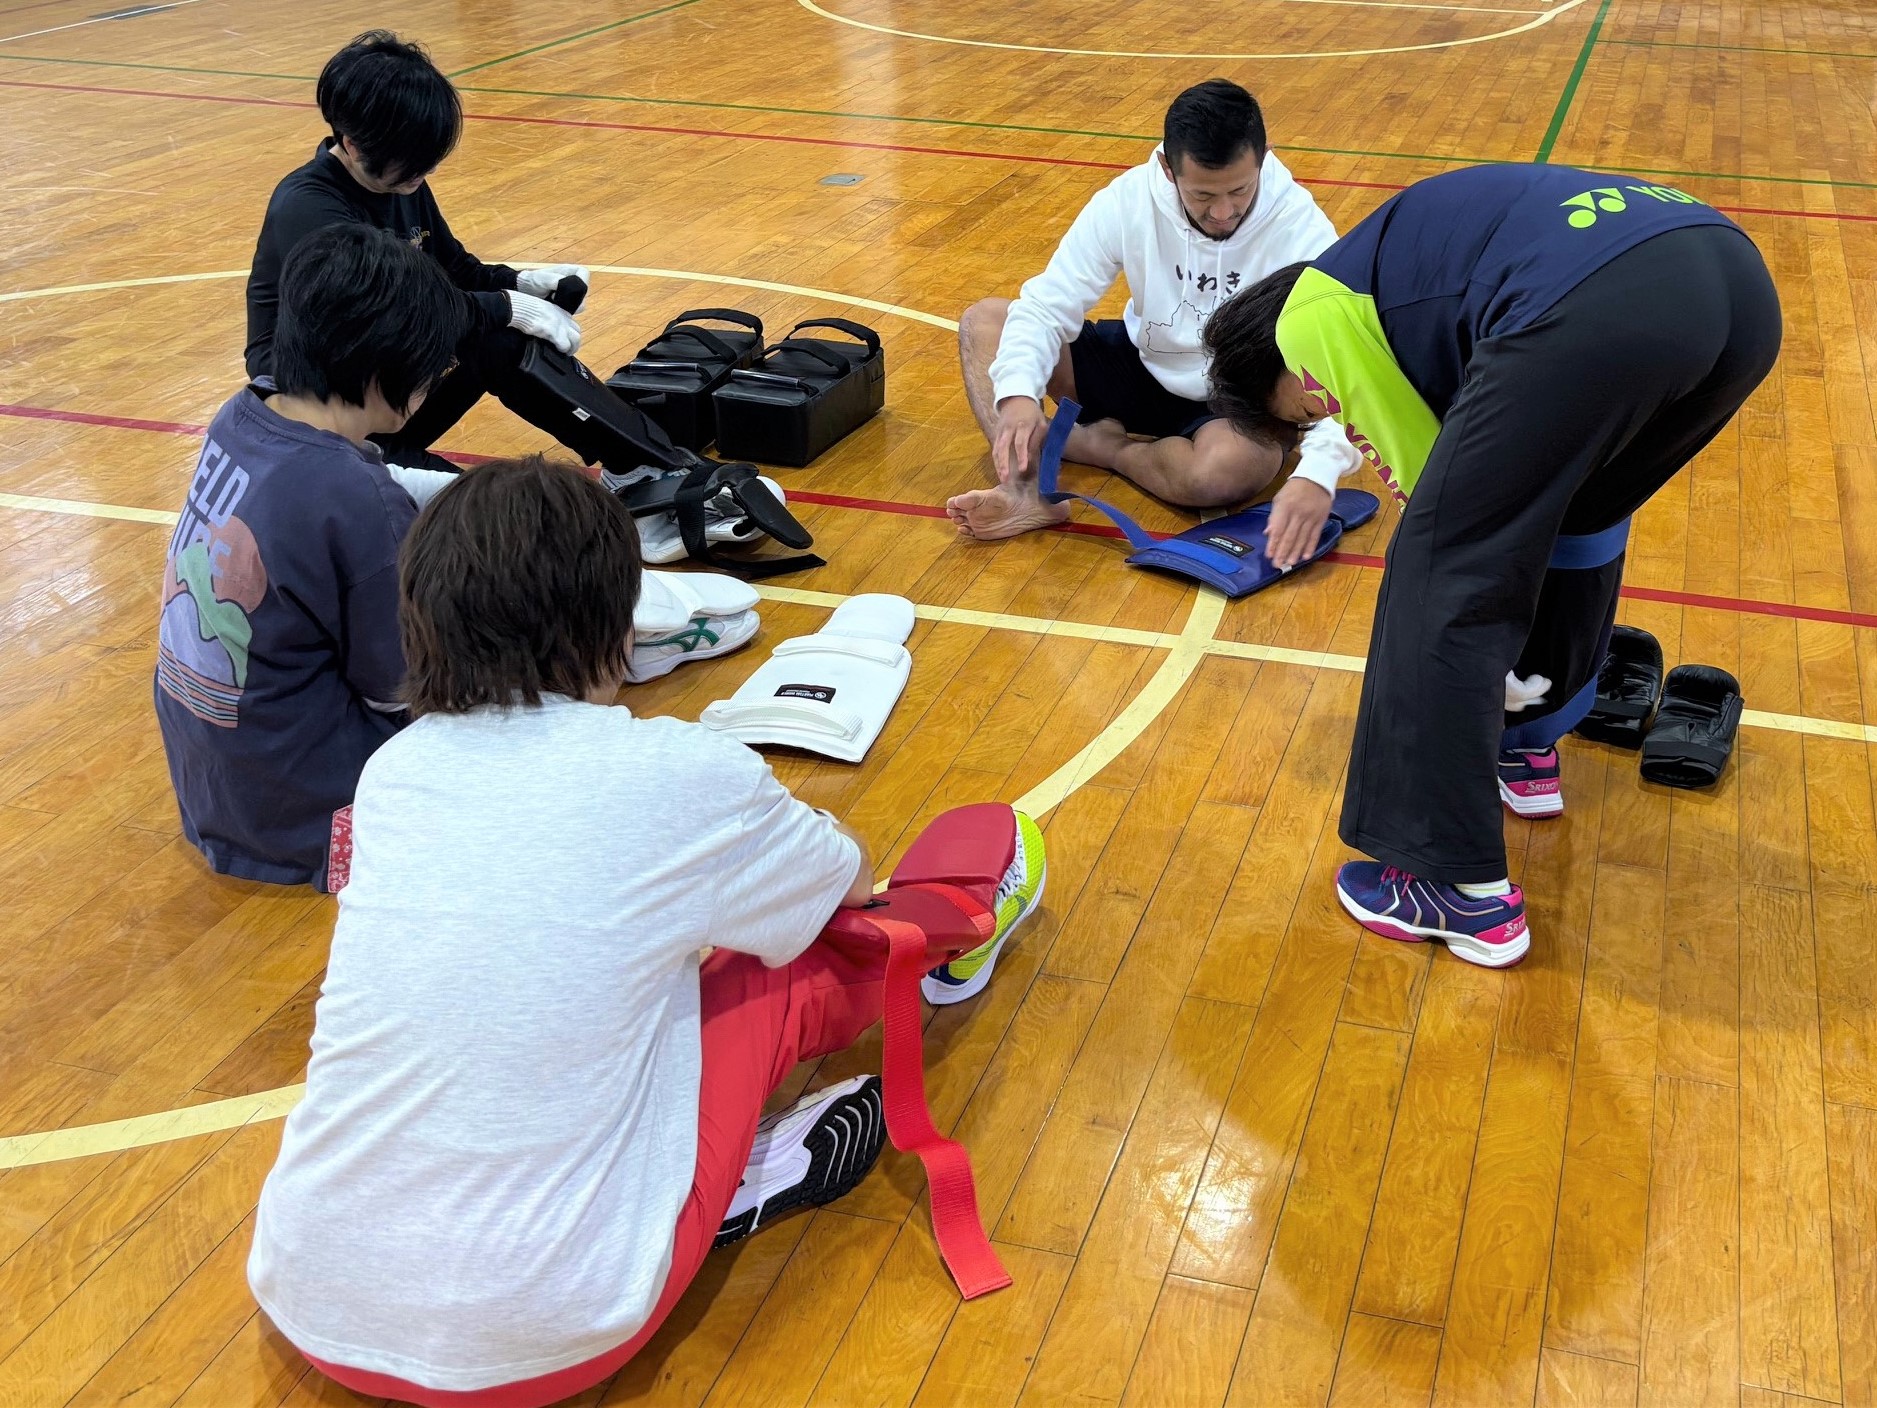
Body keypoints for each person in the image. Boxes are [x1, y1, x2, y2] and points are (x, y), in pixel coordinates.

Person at [246, 456, 1049, 1407]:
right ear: (618, 621)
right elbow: (838, 882)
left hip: (308, 1298)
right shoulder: (676, 768)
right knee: (797, 956)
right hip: (546, 1344)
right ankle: (746, 1164)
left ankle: (671, 1177)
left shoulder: (393, 772)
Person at [1203, 164, 1781, 967]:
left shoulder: (1308, 319)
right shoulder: (1393, 280)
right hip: (1733, 285)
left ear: (1276, 361)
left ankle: (1454, 888)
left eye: (1305, 408)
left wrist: (1466, 646)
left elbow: (1426, 491)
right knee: (1577, 515)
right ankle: (1525, 741)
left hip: (1599, 302)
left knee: (1439, 567)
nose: (1327, 414)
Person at [155, 223, 465, 891]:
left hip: (218, 787)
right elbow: (403, 685)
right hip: (313, 815)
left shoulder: (242, 413)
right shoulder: (357, 501)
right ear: (386, 373)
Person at [947, 78, 1356, 542]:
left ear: (1263, 158)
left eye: (1239, 190)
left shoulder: (1301, 227)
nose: (1223, 212)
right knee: (986, 322)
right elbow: (1046, 305)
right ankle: (1024, 491)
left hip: (1238, 395)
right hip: (1143, 362)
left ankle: (1106, 448)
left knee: (1223, 471)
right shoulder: (1127, 200)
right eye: (1202, 196)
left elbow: (1344, 363)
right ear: (1167, 168)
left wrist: (1317, 473)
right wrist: (1019, 394)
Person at [244, 30, 589, 468]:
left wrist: (522, 284)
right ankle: (384, 466)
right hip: (326, 409)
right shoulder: (309, 209)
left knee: (504, 343)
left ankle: (633, 459)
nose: (425, 174)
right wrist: (506, 306)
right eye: (413, 165)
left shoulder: (399, 178)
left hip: (383, 386)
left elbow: (452, 268)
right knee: (465, 500)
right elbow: (396, 316)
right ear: (352, 144)